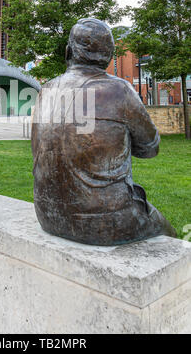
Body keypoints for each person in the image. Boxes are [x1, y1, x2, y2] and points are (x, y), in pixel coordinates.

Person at [32, 18, 176, 246]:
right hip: (106, 220)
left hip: (48, 214)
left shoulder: (46, 90)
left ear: (68, 51)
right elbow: (150, 148)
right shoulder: (120, 90)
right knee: (170, 236)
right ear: (109, 57)